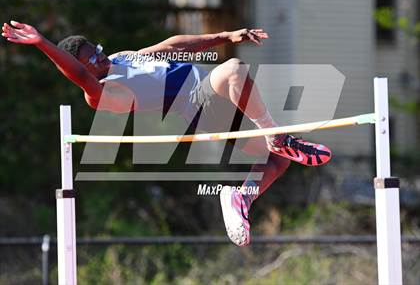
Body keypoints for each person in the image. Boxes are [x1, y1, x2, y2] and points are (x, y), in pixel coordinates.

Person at [2, 20, 331, 246]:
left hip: (214, 99)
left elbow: (172, 46)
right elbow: (78, 75)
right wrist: (42, 43)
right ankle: (276, 135)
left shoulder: (119, 60)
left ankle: (239, 195)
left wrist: (227, 36)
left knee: (277, 161)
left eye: (98, 49)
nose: (102, 57)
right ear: (83, 68)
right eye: (93, 59)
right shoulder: (101, 92)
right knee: (233, 70)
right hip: (198, 103)